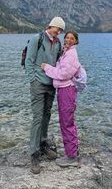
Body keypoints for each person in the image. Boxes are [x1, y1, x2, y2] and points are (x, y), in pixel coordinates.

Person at [25, 16, 65, 174]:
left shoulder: (58, 43)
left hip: (51, 85)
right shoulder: (37, 39)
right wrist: (33, 80)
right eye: (58, 29)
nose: (59, 32)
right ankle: (34, 153)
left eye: (61, 30)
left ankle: (43, 143)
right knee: (37, 117)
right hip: (38, 84)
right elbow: (29, 61)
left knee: (47, 115)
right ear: (52, 26)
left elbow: (58, 62)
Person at [41, 30, 81, 168]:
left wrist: (47, 68)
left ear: (76, 41)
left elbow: (63, 74)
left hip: (67, 91)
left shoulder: (71, 55)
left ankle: (71, 157)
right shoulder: (66, 52)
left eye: (72, 38)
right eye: (67, 37)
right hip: (65, 90)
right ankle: (74, 151)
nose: (69, 40)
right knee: (67, 121)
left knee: (67, 123)